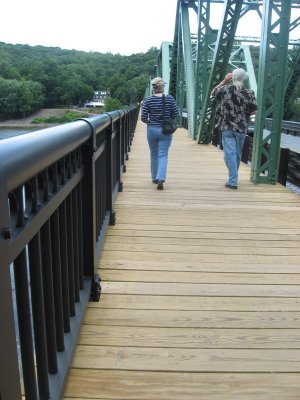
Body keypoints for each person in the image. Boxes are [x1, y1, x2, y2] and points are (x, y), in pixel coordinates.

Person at [211, 68, 257, 189]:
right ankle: (233, 178)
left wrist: (223, 81)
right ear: (244, 78)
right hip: (242, 128)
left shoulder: (225, 90)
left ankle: (233, 181)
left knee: (229, 155)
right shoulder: (250, 93)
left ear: (232, 77)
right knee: (235, 154)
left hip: (227, 127)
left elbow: (213, 93)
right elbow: (254, 111)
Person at [141, 77, 179, 190]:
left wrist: (150, 122)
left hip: (152, 129)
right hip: (165, 130)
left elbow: (143, 117)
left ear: (153, 87)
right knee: (163, 154)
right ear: (163, 87)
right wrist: (168, 119)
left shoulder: (148, 100)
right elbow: (176, 113)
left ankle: (154, 178)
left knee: (153, 153)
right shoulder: (170, 99)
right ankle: (161, 178)